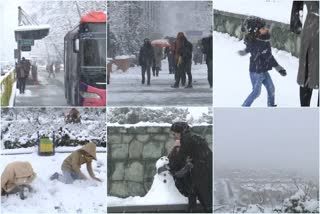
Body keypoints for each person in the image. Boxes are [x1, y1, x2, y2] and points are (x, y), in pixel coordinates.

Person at [239, 17, 287, 107]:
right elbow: (269, 58)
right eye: (263, 28)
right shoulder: (260, 44)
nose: (266, 29)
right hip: (256, 72)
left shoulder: (260, 41)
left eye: (265, 27)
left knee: (271, 88)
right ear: (256, 32)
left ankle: (271, 106)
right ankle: (244, 107)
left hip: (263, 70)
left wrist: (244, 51)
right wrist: (279, 69)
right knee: (256, 93)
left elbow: (249, 47)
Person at [168, 122, 212, 212]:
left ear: (180, 132)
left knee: (206, 203)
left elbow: (181, 157)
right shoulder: (194, 138)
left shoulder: (187, 140)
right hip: (203, 173)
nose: (174, 136)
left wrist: (173, 169)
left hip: (201, 175)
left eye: (174, 133)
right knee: (201, 199)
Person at [290, 1, 319, 106]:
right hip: (312, 29)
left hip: (311, 28)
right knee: (307, 71)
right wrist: (296, 22)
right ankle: (305, 112)